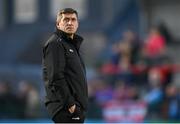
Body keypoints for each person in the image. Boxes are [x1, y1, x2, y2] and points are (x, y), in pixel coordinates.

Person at [42, 8, 88, 123]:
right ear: (58, 24)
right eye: (66, 19)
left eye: (73, 20)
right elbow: (56, 77)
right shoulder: (55, 44)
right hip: (65, 108)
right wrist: (70, 105)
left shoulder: (71, 45)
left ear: (77, 24)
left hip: (74, 107)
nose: (70, 23)